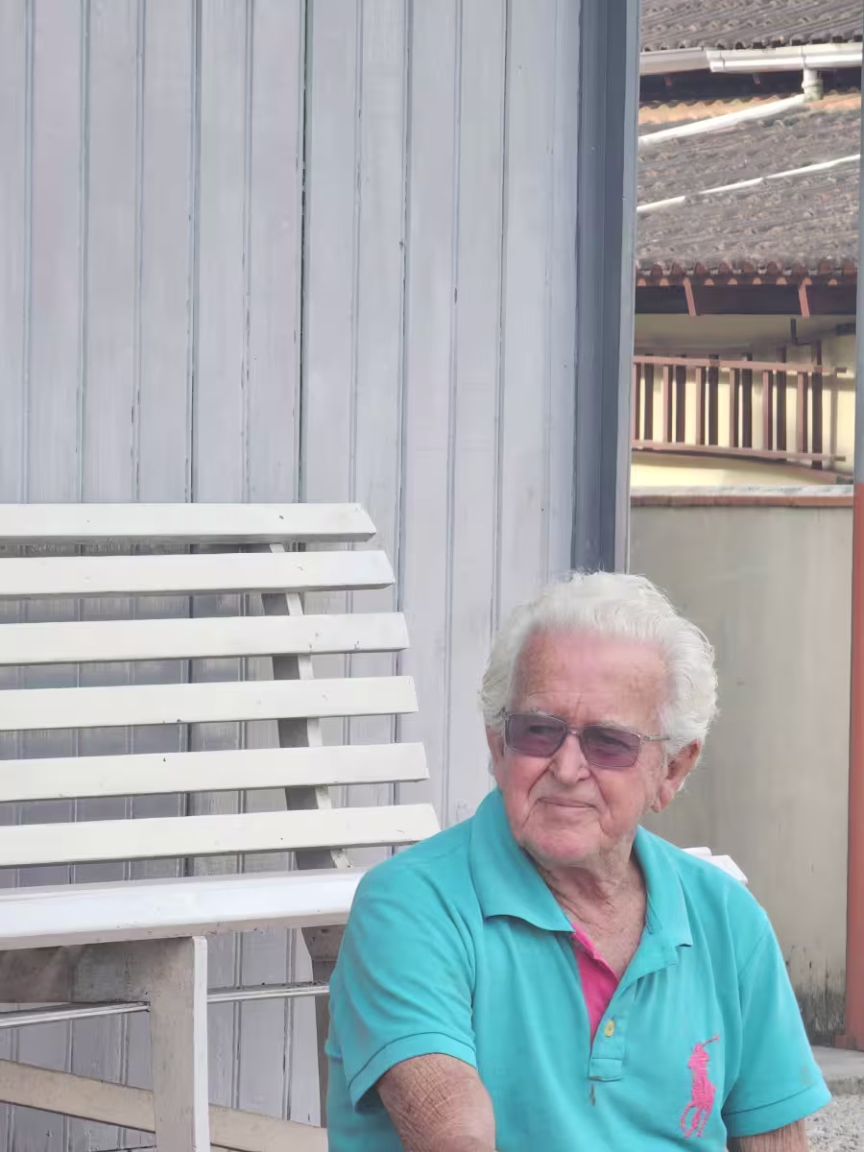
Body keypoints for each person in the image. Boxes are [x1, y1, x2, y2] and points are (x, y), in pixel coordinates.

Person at [326, 572, 830, 1150]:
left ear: (672, 770)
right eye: (538, 731)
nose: (566, 769)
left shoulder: (727, 919)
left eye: (608, 742)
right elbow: (451, 1131)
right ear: (497, 746)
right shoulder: (410, 906)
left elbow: (777, 1141)